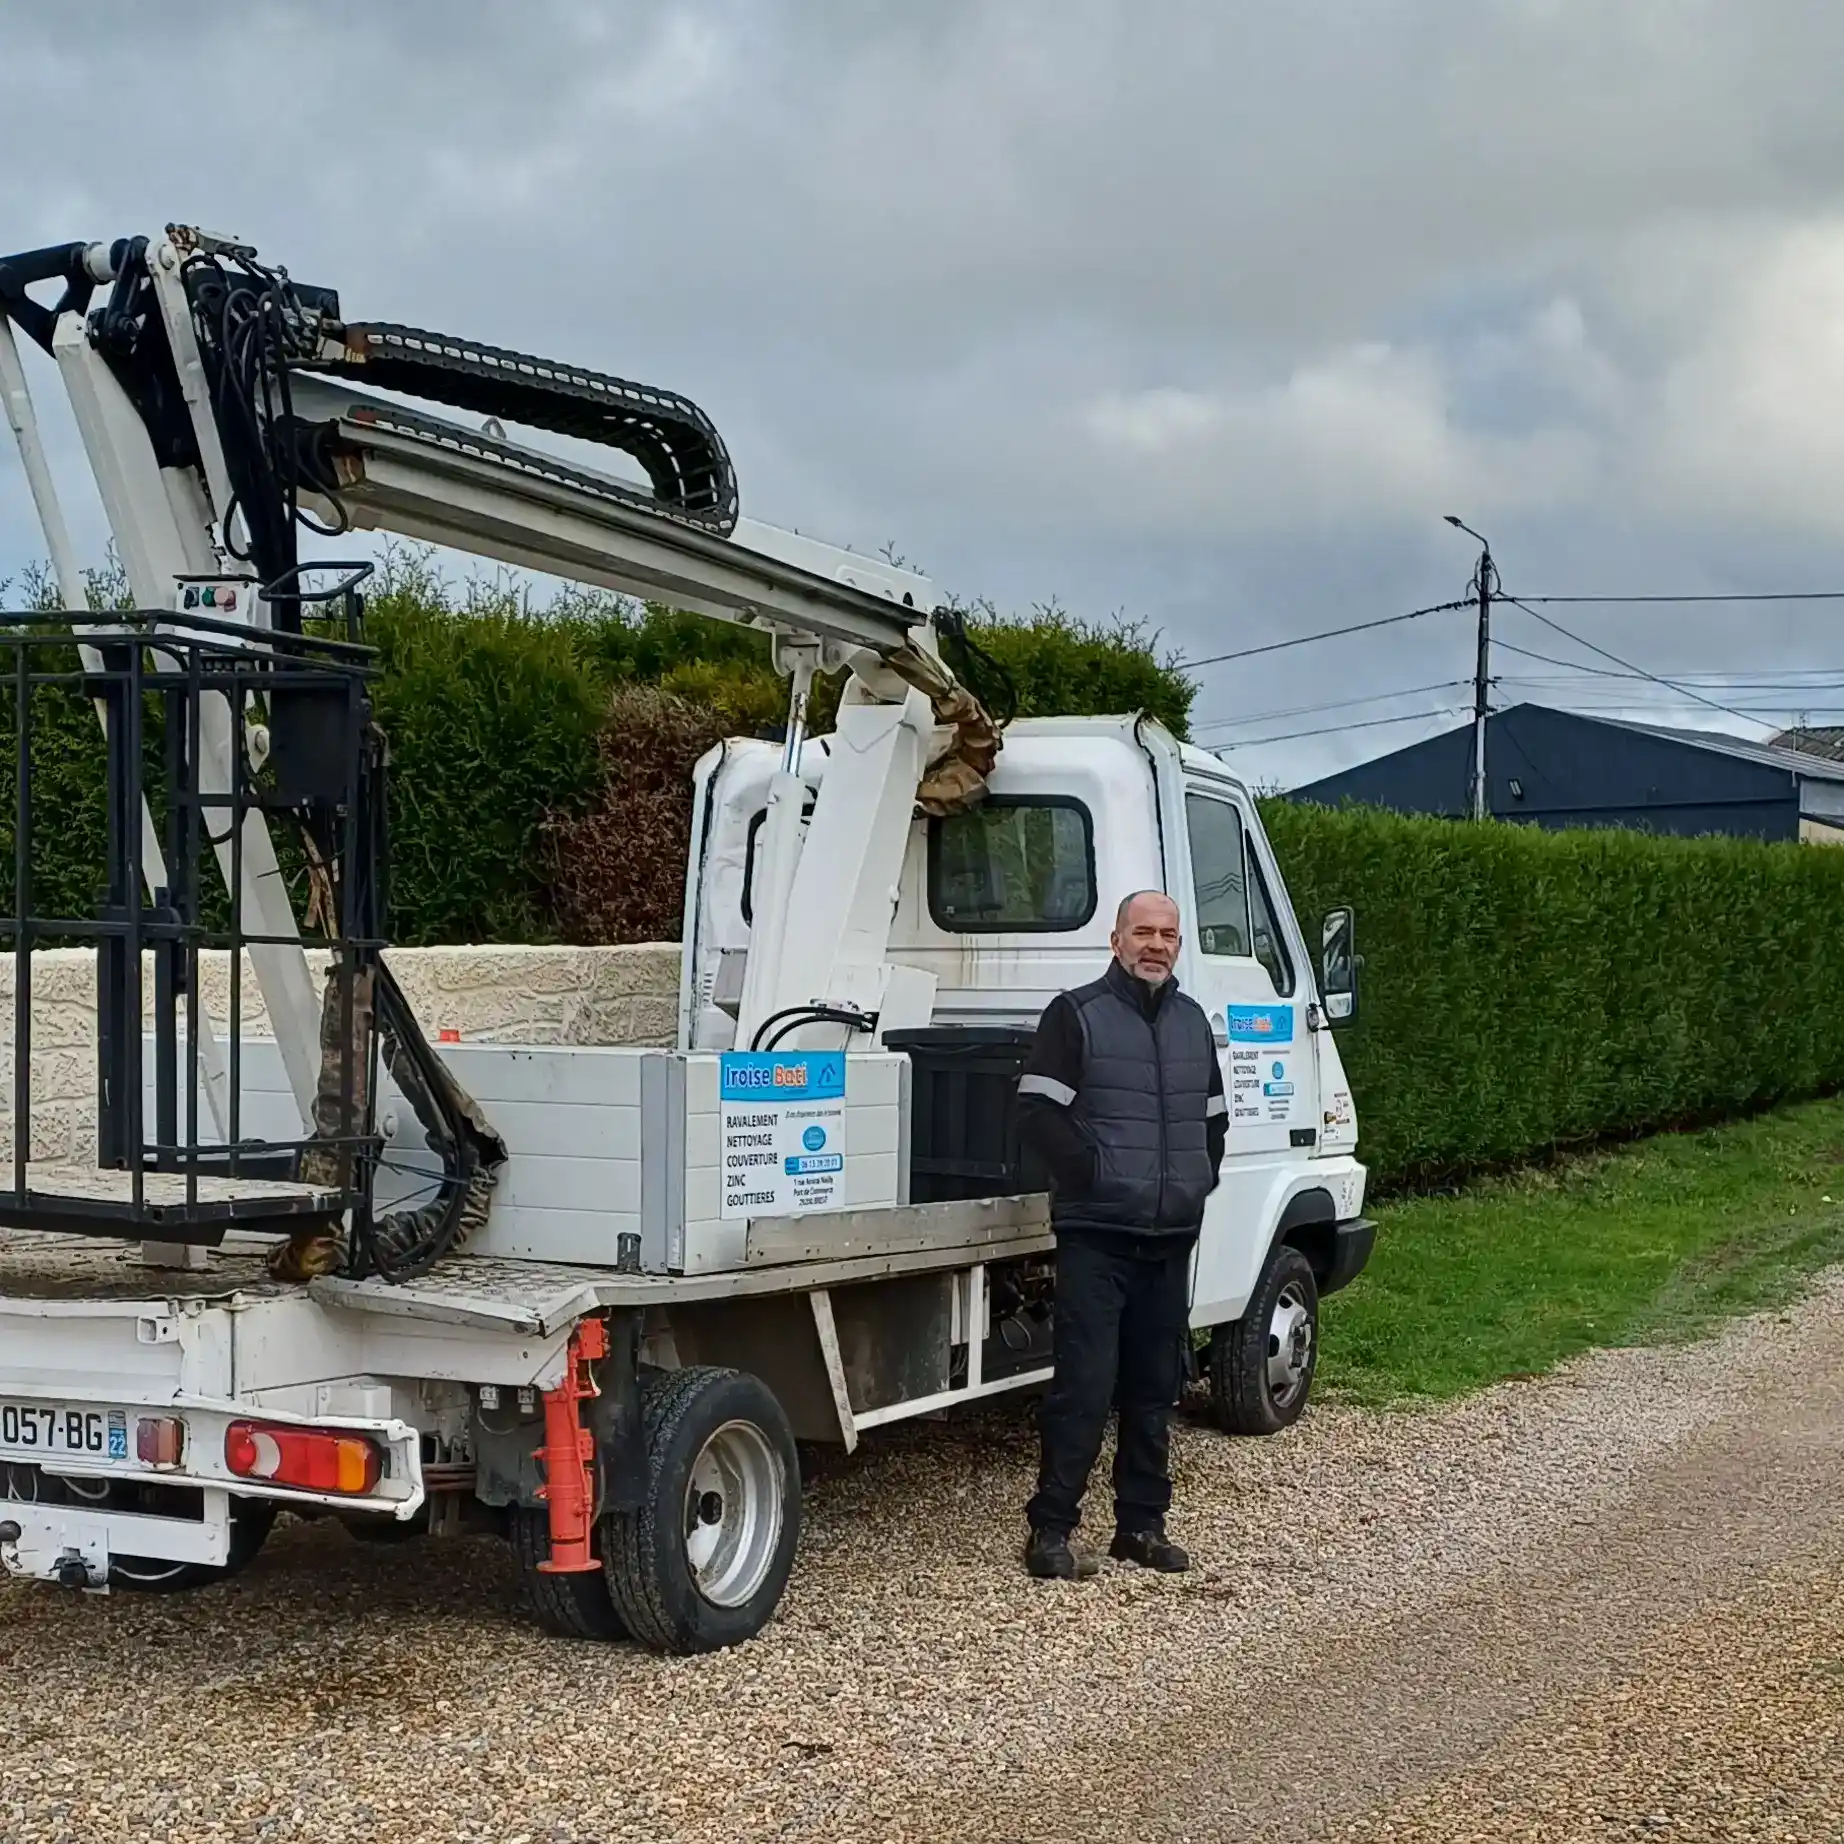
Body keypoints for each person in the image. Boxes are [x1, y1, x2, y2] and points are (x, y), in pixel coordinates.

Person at [1015, 889, 1227, 1580]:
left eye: (1168, 934)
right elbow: (1039, 1114)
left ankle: (1141, 1526)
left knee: (1153, 1388)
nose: (1155, 945)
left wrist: (1195, 1183)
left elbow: (1214, 1121)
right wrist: (1096, 1177)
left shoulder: (1195, 1023)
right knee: (1084, 1385)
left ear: (1178, 946)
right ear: (1116, 940)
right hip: (1097, 1237)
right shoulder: (1075, 1014)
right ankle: (1051, 1530)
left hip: (1169, 1238)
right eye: (1143, 932)